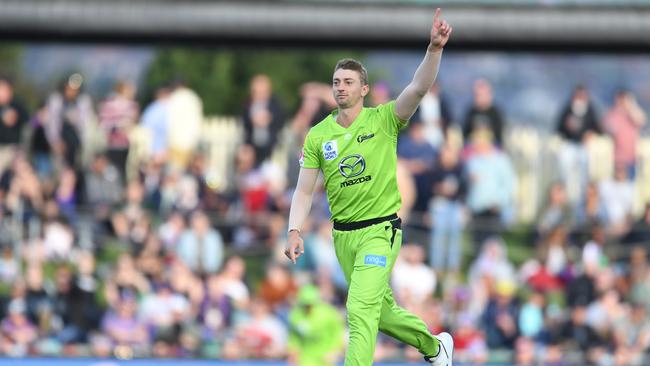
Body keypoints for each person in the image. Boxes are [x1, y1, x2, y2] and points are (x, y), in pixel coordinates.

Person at [284, 8, 453, 366]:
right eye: (336, 82)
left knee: (359, 308)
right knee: (381, 311)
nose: (340, 87)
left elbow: (419, 87)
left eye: (348, 82)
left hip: (380, 230)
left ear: (363, 89)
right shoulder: (319, 135)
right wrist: (294, 230)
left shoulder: (384, 119)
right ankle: (435, 348)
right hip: (343, 236)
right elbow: (303, 191)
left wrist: (434, 50)